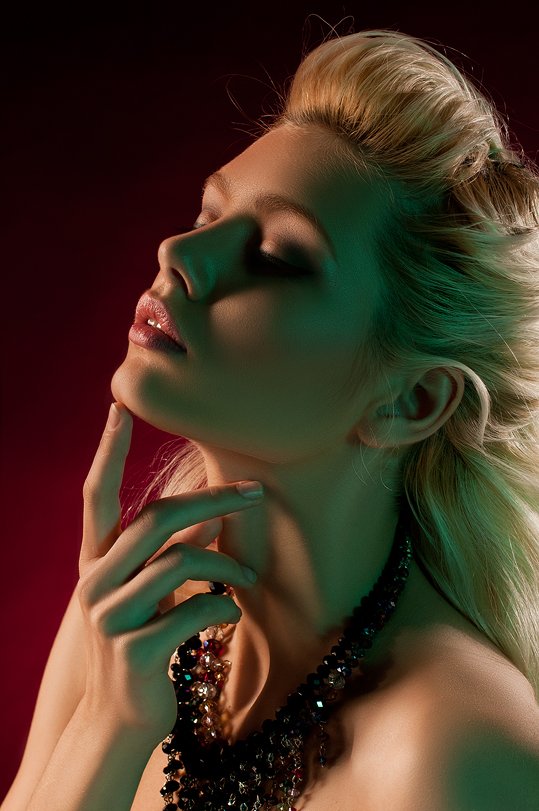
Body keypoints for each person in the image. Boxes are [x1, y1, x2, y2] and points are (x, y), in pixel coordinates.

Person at [4, 28, 539, 811]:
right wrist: (109, 726)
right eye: (207, 213)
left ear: (411, 401)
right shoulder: (131, 615)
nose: (179, 251)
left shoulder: (455, 751)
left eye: (278, 255)